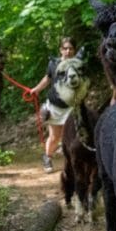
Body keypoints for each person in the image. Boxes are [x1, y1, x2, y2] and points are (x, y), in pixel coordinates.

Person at [27, 36, 78, 173]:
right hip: (55, 106)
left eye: (70, 48)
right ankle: (48, 158)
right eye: (65, 48)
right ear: (60, 50)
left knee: (71, 137)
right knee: (55, 137)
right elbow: (47, 78)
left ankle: (71, 163)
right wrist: (36, 90)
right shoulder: (53, 64)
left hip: (71, 107)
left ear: (74, 50)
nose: (67, 51)